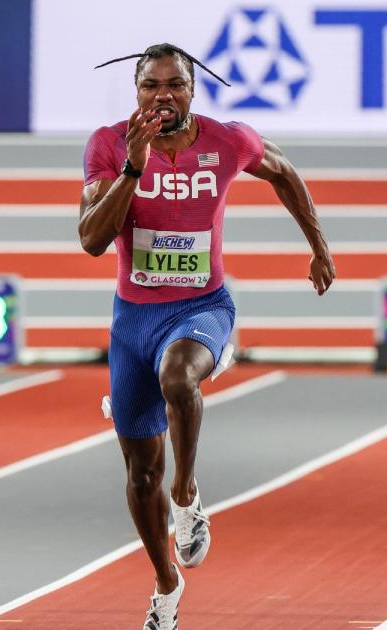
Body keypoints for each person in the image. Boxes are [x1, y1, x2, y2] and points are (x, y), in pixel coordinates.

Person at [80, 43, 334, 629]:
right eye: (151, 87)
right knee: (140, 472)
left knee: (179, 374)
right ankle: (166, 585)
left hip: (202, 307)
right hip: (132, 321)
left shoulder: (229, 140)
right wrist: (134, 167)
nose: (163, 96)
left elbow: (284, 172)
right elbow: (92, 239)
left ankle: (188, 496)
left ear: (193, 90)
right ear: (136, 92)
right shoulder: (109, 144)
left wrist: (318, 245)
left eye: (175, 85)